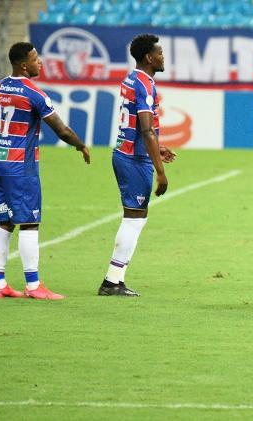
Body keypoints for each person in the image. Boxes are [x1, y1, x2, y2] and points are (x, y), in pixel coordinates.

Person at [0, 42, 91, 300]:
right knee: (30, 223)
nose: (39, 62)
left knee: (5, 222)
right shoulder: (33, 93)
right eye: (35, 59)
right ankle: (33, 285)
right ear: (23, 65)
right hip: (22, 167)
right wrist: (81, 145)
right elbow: (61, 130)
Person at [97, 34, 176, 297]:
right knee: (133, 219)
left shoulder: (132, 78)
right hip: (133, 159)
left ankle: (115, 279)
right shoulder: (145, 84)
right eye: (160, 53)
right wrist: (161, 173)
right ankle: (112, 281)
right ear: (148, 57)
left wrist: (156, 148)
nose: (163, 57)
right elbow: (146, 128)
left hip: (127, 153)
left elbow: (140, 127)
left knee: (136, 218)